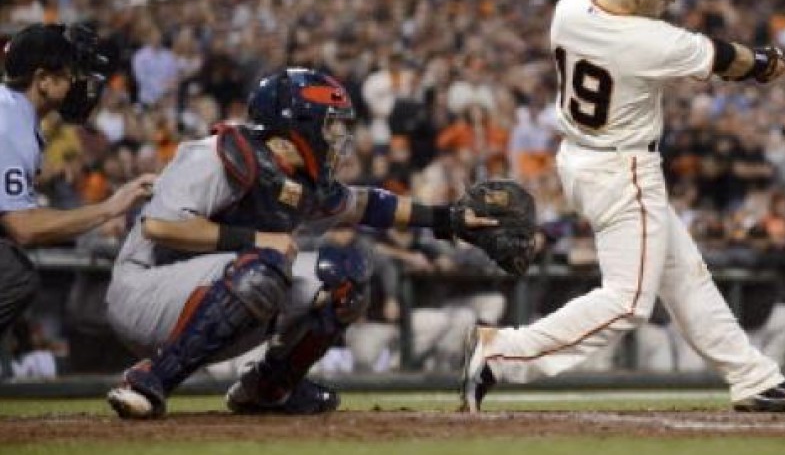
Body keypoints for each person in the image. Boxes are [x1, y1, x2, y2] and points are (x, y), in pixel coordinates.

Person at [460, 0, 785, 413]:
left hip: (581, 157)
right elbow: (726, 58)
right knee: (629, 300)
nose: (672, 1)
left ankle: (753, 378)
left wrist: (755, 63)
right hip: (622, 168)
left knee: (684, 275)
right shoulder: (649, 40)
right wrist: (762, 63)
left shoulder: (570, 6)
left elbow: (716, 56)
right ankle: (501, 351)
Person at [105, 67, 499, 419]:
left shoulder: (295, 178)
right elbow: (159, 226)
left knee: (346, 274)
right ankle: (151, 379)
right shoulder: (218, 154)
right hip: (142, 291)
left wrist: (447, 218)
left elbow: (367, 205)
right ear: (299, 125)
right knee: (267, 262)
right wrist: (257, 239)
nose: (339, 137)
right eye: (332, 126)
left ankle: (269, 387)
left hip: (213, 291)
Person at [0, 23, 155, 339]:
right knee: (13, 273)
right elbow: (24, 227)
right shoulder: (10, 124)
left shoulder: (14, 114)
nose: (79, 82)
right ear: (43, 80)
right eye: (72, 71)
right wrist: (110, 207)